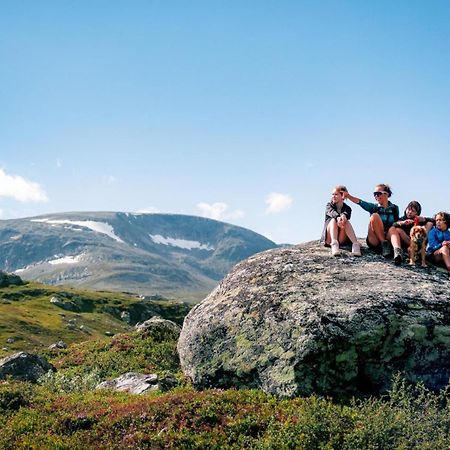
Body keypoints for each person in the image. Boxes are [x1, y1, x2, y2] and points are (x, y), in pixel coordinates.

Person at [344, 183, 400, 262]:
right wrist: (348, 196)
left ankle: (397, 251)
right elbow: (360, 202)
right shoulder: (374, 207)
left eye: (378, 193)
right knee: (374, 216)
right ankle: (383, 243)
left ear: (386, 194)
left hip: (388, 237)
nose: (376, 196)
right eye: (374, 194)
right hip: (375, 240)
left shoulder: (394, 208)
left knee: (394, 228)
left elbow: (397, 223)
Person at [321, 185, 361, 256]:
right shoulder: (329, 205)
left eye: (336, 194)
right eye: (332, 194)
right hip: (330, 238)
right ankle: (334, 244)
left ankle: (355, 244)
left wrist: (343, 215)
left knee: (346, 221)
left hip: (341, 238)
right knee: (333, 220)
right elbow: (331, 212)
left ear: (343, 196)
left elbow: (347, 214)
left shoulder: (348, 208)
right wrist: (338, 217)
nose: (333, 196)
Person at [426, 211, 450, 277]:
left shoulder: (449, 233)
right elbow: (432, 246)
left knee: (446, 247)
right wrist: (442, 244)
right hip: (434, 255)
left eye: (440, 220)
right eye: (437, 220)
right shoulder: (432, 232)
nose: (438, 222)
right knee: (444, 248)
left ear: (446, 221)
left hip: (446, 255)